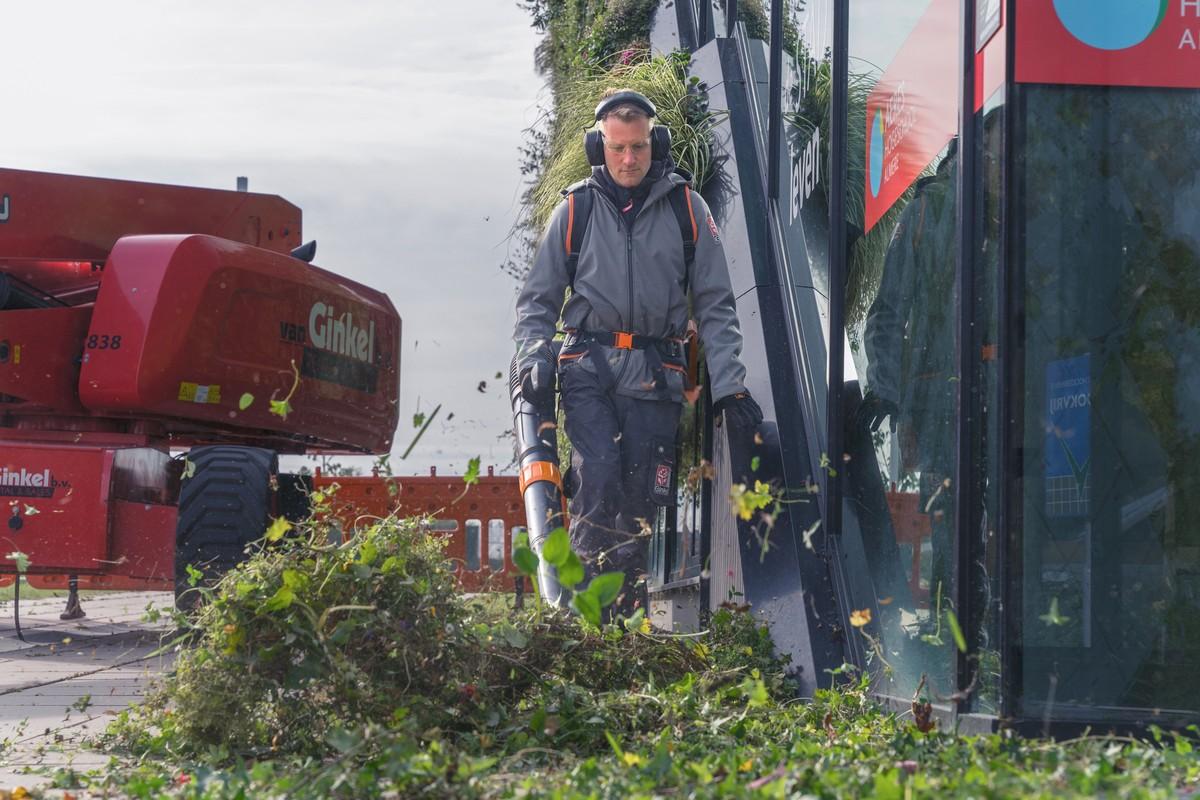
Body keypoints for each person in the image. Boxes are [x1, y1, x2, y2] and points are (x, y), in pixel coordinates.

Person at [513, 88, 762, 612]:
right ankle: (585, 625)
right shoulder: (575, 211)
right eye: (618, 147)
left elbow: (717, 304)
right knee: (598, 479)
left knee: (641, 500)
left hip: (657, 373)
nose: (629, 159)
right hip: (588, 368)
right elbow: (537, 300)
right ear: (597, 146)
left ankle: (624, 622)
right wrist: (534, 354)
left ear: (657, 144)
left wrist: (732, 386)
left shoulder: (687, 210)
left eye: (640, 147)